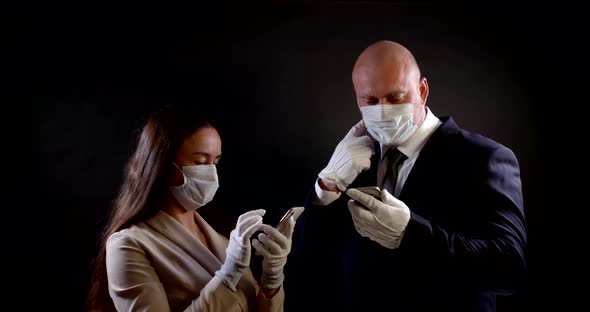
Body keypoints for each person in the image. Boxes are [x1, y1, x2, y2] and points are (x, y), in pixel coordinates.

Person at [290, 41, 527, 312]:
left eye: (395, 97)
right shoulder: (353, 159)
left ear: (422, 91)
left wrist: (409, 233)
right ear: (357, 98)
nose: (382, 110)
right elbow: (310, 262)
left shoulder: (484, 158)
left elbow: (510, 268)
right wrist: (326, 186)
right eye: (370, 101)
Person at [88, 106, 294, 311]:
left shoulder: (223, 233)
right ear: (163, 164)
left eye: (215, 162)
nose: (211, 173)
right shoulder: (129, 244)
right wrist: (229, 273)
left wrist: (271, 281)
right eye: (200, 162)